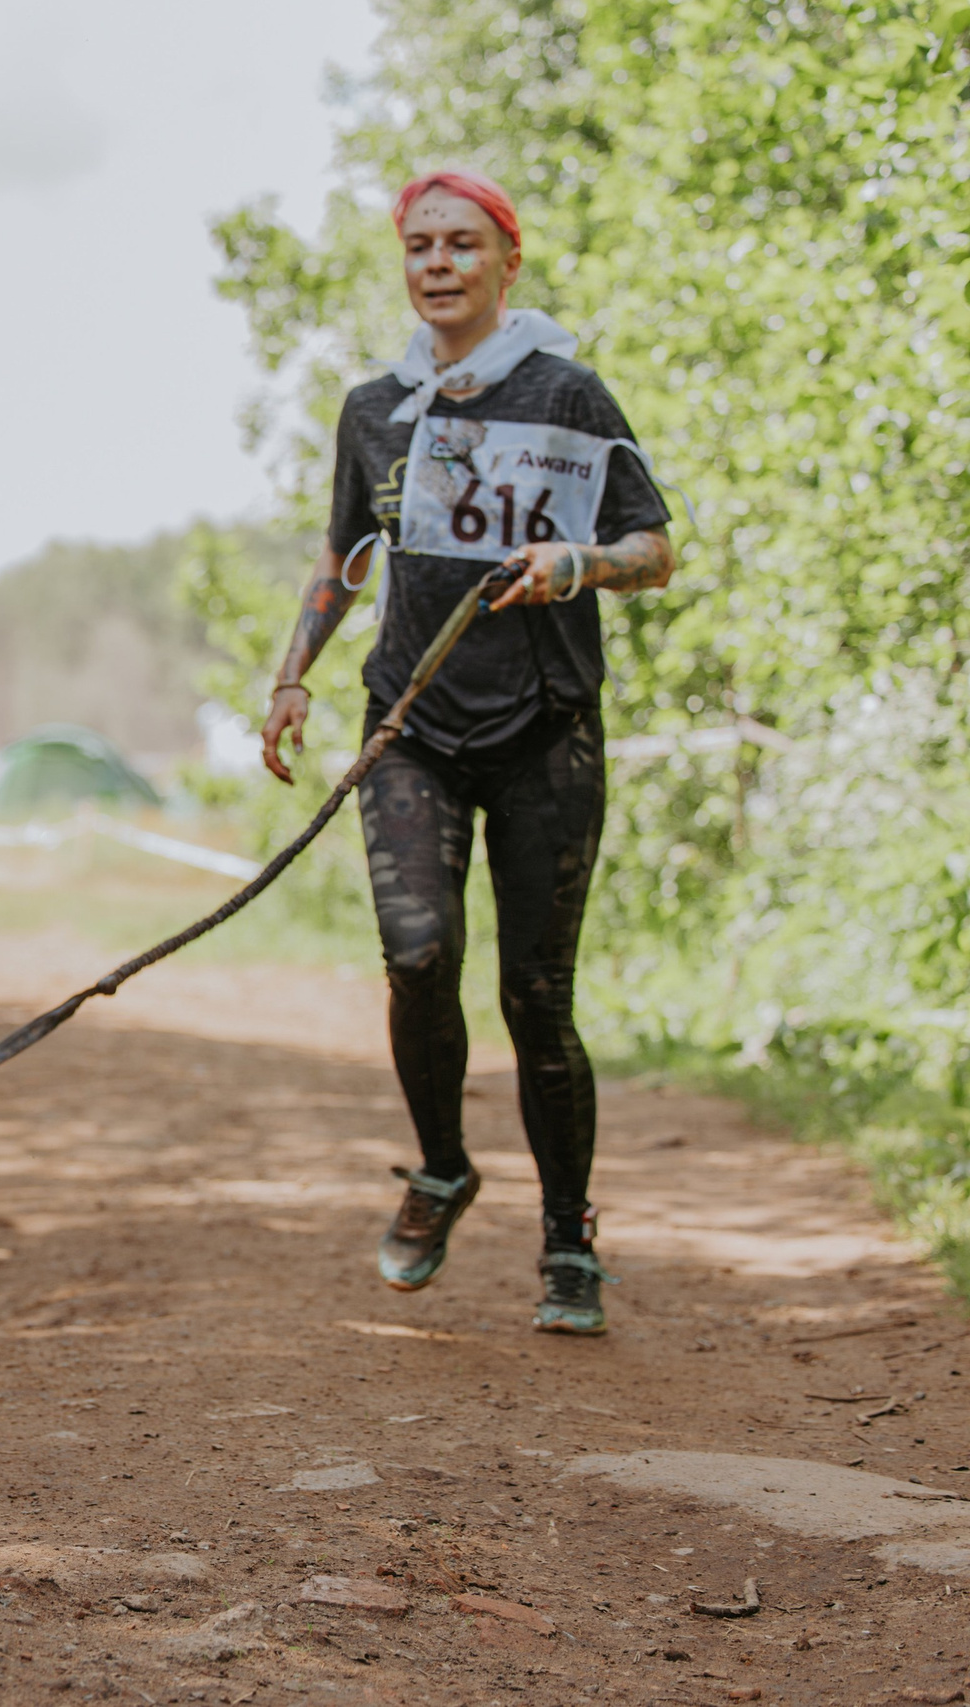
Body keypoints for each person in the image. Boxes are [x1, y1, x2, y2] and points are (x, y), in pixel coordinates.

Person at [257, 169, 673, 1336]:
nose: (437, 263)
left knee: (536, 998)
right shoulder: (373, 409)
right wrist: (292, 675)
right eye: (419, 245)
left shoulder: (568, 393)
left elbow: (655, 551)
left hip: (544, 727)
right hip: (410, 726)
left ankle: (566, 1240)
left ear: (506, 264)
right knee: (416, 955)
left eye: (462, 244)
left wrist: (579, 566)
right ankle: (441, 1168)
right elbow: (343, 556)